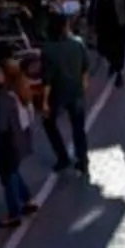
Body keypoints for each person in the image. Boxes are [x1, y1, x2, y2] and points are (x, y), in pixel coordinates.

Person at [0, 62, 35, 228]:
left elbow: (1, 126)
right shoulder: (19, 90)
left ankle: (14, 213)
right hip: (21, 139)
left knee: (8, 176)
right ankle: (27, 198)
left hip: (9, 143)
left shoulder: (4, 97)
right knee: (13, 171)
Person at [38, 14, 92, 173]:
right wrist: (84, 85)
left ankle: (63, 158)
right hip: (76, 90)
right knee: (78, 127)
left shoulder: (48, 50)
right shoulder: (77, 43)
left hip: (58, 93)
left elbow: (47, 79)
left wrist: (44, 102)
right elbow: (85, 67)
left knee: (49, 123)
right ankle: (83, 159)